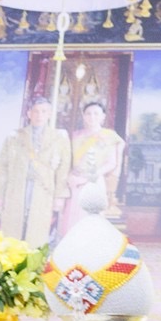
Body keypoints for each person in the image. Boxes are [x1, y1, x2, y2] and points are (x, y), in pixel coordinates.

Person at [0, 95, 69, 245]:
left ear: (49, 114)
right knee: (13, 228)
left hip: (43, 189)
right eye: (36, 111)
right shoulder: (14, 137)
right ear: (29, 113)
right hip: (17, 187)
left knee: (37, 229)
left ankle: (34, 255)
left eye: (44, 111)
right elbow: (2, 166)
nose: (39, 115)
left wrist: (59, 196)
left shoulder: (59, 137)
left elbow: (63, 169)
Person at [63, 98, 126, 230]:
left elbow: (111, 163)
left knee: (90, 218)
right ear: (83, 116)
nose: (92, 117)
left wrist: (89, 176)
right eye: (88, 113)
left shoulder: (109, 136)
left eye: (96, 113)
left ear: (103, 116)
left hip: (94, 180)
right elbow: (67, 159)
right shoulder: (75, 136)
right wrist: (70, 176)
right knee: (72, 218)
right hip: (75, 181)